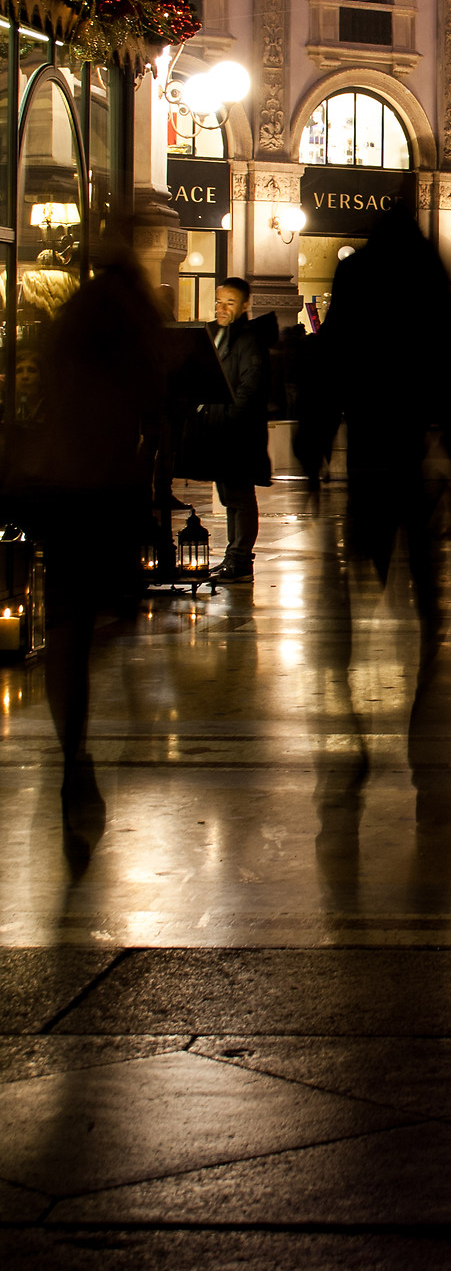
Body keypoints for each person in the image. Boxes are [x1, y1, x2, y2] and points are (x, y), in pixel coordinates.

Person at [295, 213, 451, 826]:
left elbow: (331, 359)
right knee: (429, 615)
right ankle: (433, 773)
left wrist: (312, 446)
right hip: (415, 464)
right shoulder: (427, 271)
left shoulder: (359, 273)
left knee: (354, 602)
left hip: (369, 459)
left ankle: (348, 748)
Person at [22, 235, 167, 844]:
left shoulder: (68, 326)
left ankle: (73, 749)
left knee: (67, 626)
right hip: (104, 489)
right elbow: (155, 409)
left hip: (60, 488)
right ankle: (90, 740)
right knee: (107, 615)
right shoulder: (131, 324)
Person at [207, 277, 272, 581]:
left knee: (240, 495)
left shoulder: (248, 340)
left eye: (229, 303)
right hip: (222, 430)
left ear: (245, 305)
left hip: (239, 432)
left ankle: (240, 558)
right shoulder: (219, 334)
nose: (221, 308)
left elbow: (251, 386)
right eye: (219, 301)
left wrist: (229, 414)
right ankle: (234, 556)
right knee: (230, 496)